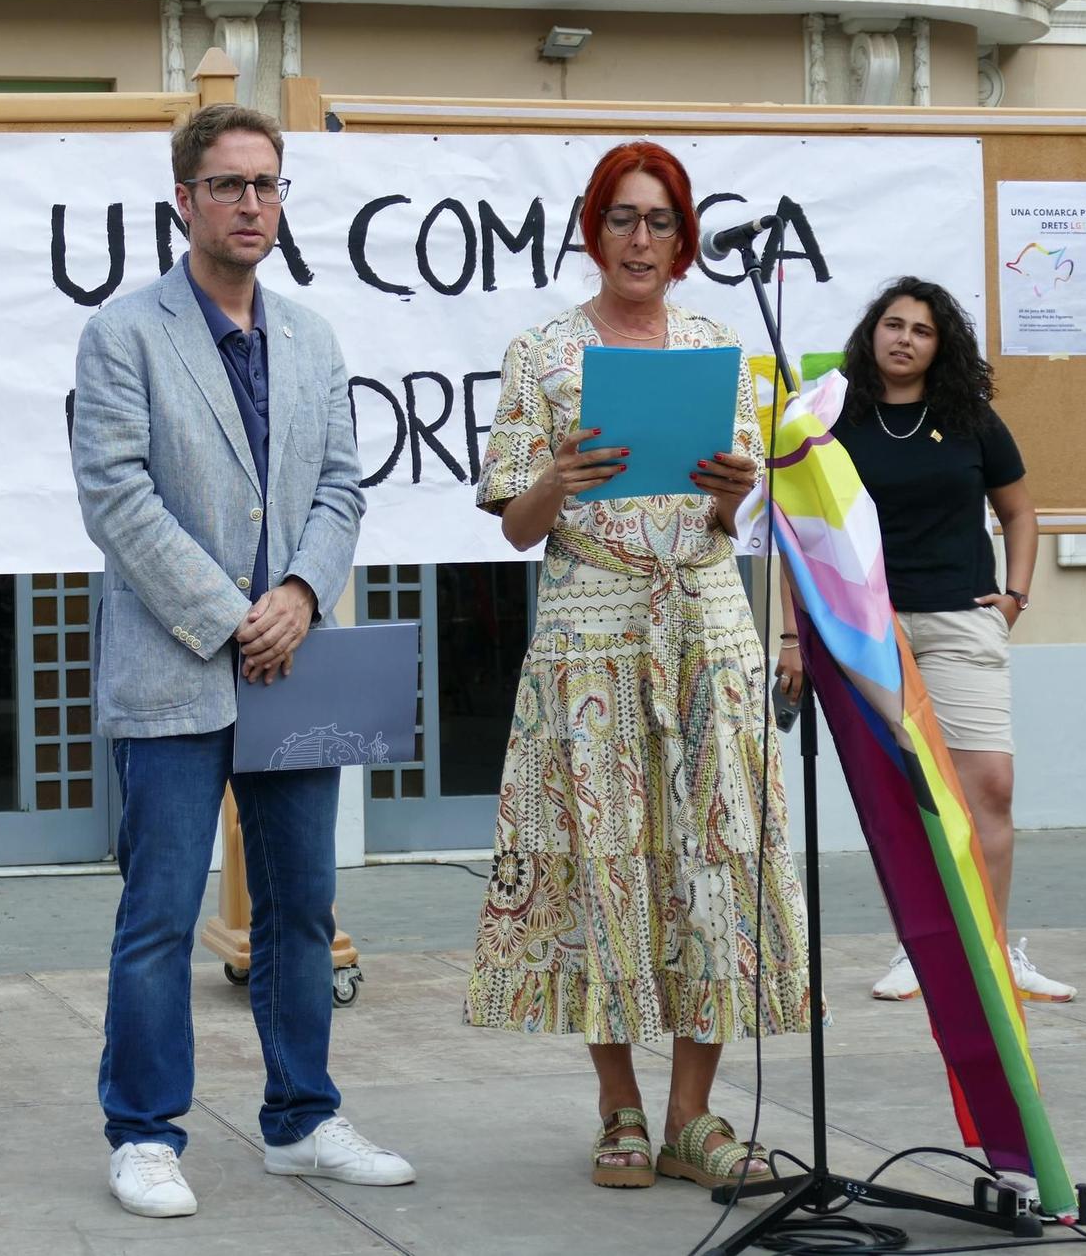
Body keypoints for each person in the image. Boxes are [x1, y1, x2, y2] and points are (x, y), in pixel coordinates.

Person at [72, 102, 414, 1219]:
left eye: (265, 184)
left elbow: (340, 486)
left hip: (294, 668)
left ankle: (301, 1117)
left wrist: (304, 592)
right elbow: (117, 497)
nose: (250, 203)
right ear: (183, 200)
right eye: (227, 184)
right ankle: (143, 1130)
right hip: (177, 666)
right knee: (161, 910)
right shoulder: (124, 334)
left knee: (302, 905)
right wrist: (232, 614)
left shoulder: (309, 337)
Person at [465, 141, 812, 1194]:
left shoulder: (718, 347)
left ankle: (689, 1117)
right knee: (602, 856)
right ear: (592, 228)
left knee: (718, 856)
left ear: (684, 236)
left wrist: (726, 491)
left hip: (706, 627)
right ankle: (616, 1103)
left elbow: (729, 515)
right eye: (621, 217)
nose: (640, 239)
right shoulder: (542, 353)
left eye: (659, 220)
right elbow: (515, 528)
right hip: (591, 630)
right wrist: (558, 480)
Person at [776, 277, 1074, 1004]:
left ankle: (993, 950)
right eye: (893, 323)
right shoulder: (831, 417)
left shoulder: (970, 419)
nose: (904, 338)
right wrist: (792, 637)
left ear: (942, 345)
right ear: (871, 333)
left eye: (922, 329)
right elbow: (796, 531)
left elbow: (1020, 510)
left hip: (960, 621)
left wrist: (1015, 596)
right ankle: (923, 949)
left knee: (989, 788)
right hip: (867, 629)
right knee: (906, 798)